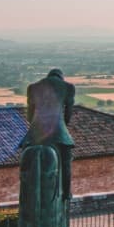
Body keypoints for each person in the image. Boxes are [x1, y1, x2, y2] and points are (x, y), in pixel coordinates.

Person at [20, 68, 76, 201]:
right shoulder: (68, 87)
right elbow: (68, 113)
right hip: (58, 131)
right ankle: (67, 193)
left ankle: (25, 194)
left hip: (35, 133)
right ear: (61, 77)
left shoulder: (32, 87)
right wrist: (63, 125)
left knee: (26, 160)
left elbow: (29, 116)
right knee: (66, 162)